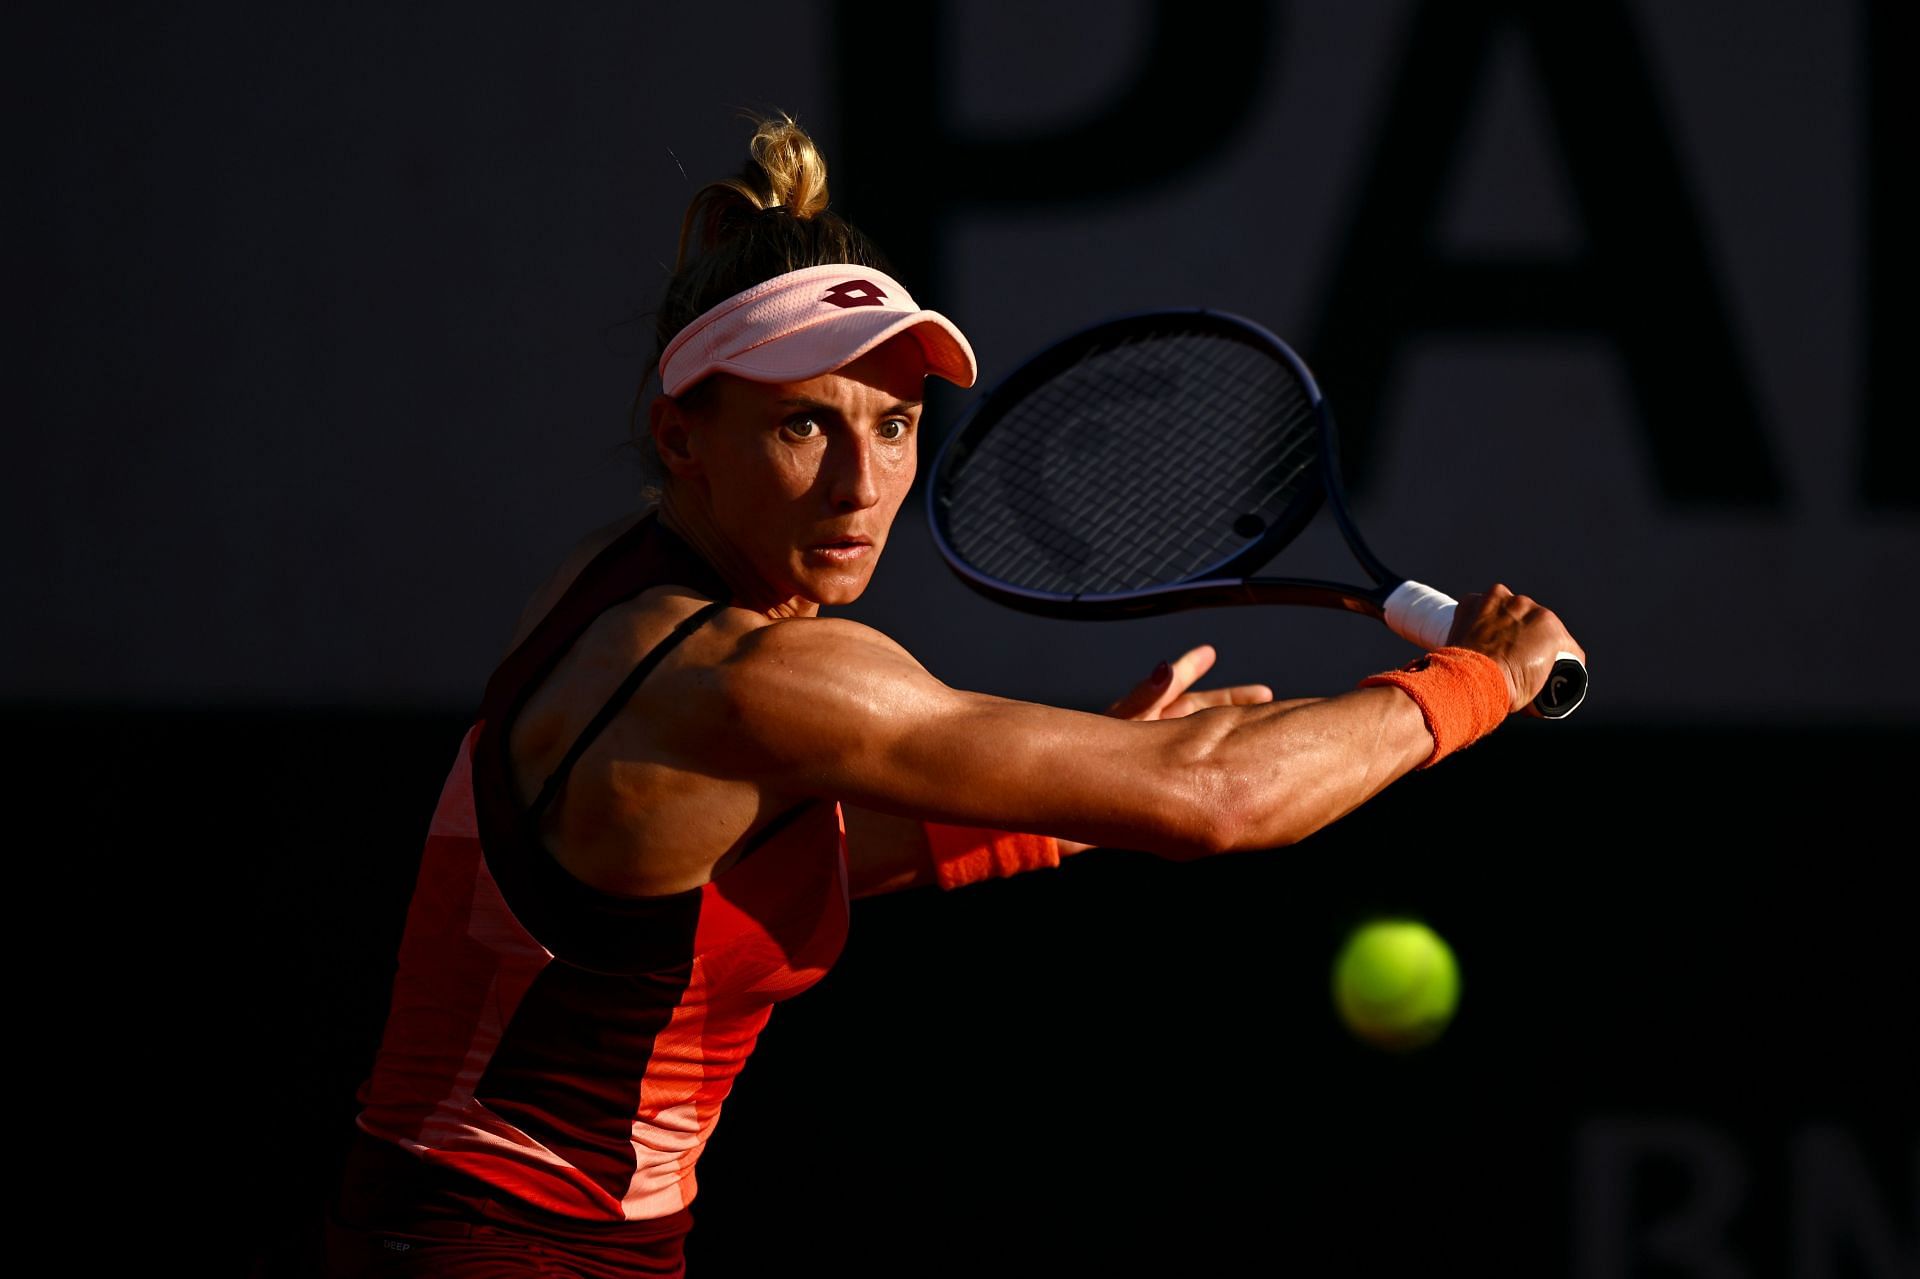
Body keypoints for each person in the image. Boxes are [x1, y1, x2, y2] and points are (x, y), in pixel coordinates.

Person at [323, 111, 1582, 1277]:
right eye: (803, 427)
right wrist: (1478, 678)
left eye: (895, 424)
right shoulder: (755, 675)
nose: (861, 486)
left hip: (433, 1231)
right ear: (681, 436)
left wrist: (1078, 790)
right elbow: (1219, 800)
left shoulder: (602, 584)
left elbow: (708, 877)